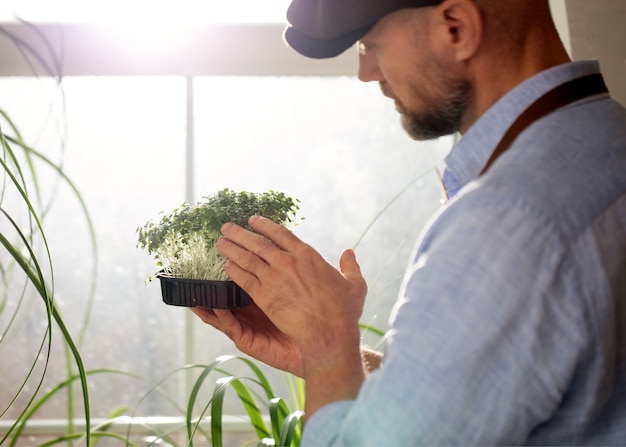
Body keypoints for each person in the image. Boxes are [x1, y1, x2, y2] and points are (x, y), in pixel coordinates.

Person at [192, 0, 626, 444]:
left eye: (371, 45)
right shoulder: (607, 141)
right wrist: (336, 358)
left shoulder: (505, 224)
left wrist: (326, 346)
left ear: (456, 28)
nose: (367, 73)